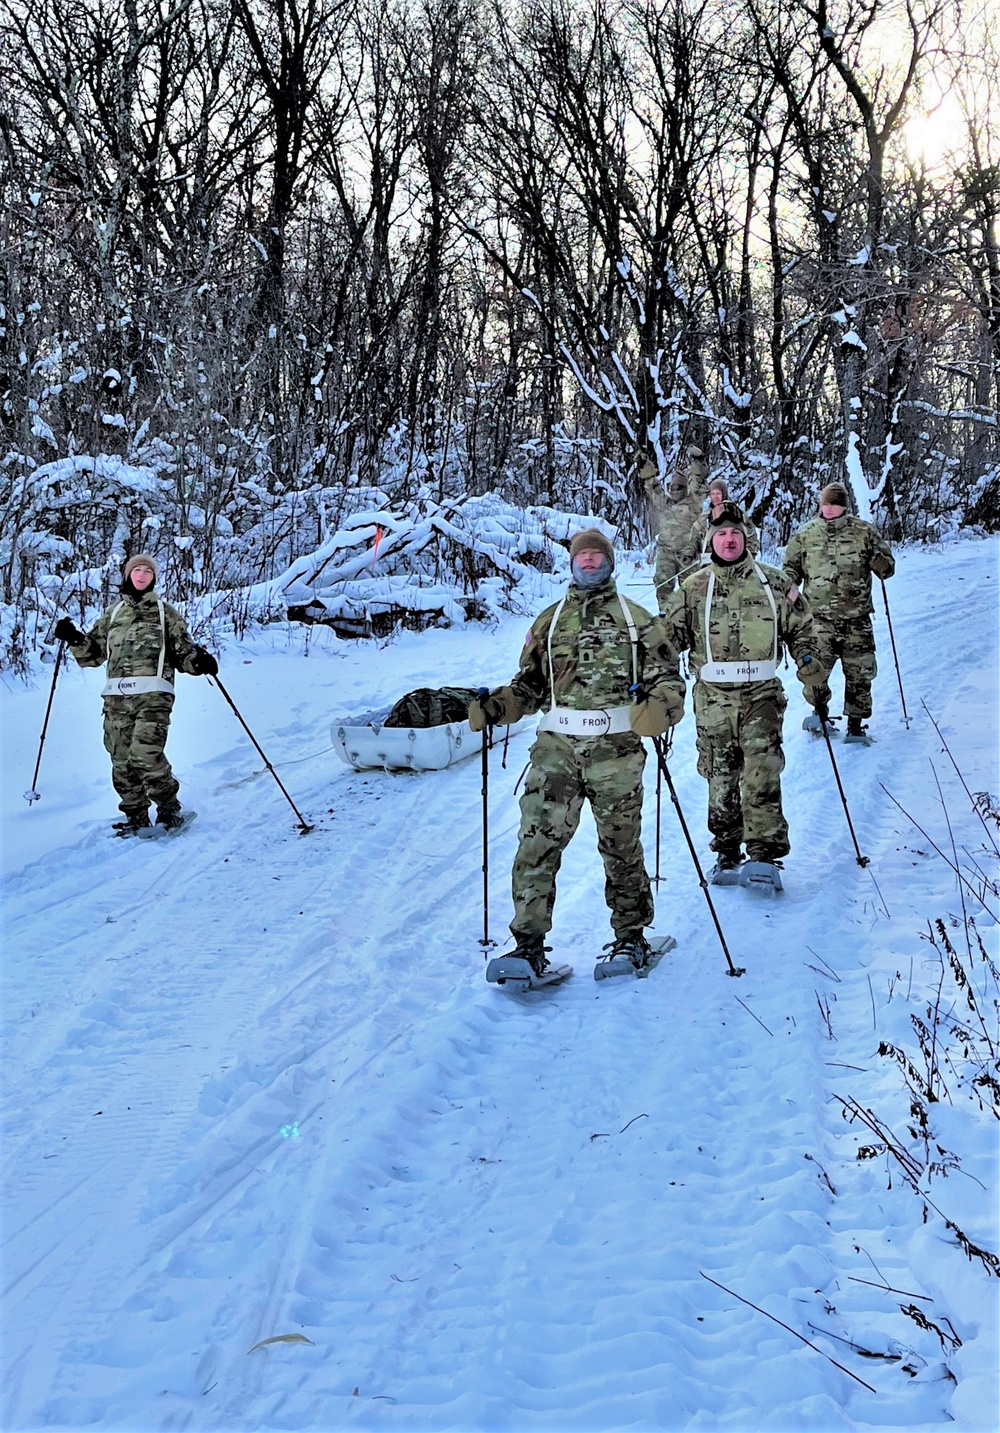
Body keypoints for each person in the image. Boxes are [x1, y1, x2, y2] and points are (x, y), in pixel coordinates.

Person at [469, 528, 682, 975]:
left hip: (616, 752)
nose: (588, 562)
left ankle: (631, 937)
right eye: (582, 556)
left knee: (620, 846)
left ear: (610, 563)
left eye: (596, 556)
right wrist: (499, 706)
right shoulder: (549, 622)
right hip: (556, 751)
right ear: (571, 563)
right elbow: (529, 685)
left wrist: (661, 709)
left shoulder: (637, 619)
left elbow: (668, 678)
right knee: (536, 842)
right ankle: (527, 946)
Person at [658, 504, 827, 880]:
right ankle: (727, 848)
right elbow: (668, 641)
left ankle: (764, 854)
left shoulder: (775, 583)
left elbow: (802, 628)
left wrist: (807, 659)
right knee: (720, 774)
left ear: (745, 538)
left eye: (735, 533)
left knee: (762, 770)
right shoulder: (693, 588)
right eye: (721, 534)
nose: (729, 539)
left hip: (761, 695)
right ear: (711, 541)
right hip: (713, 698)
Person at [53, 554, 218, 834]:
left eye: (148, 571)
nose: (142, 575)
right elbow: (93, 655)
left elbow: (183, 653)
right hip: (116, 700)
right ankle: (136, 816)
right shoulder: (114, 614)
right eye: (137, 570)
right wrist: (74, 638)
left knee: (144, 753)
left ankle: (169, 808)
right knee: (121, 759)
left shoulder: (166, 614)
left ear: (154, 577)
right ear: (128, 575)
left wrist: (198, 661)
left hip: (154, 696)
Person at [782, 481, 896, 744]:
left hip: (857, 619)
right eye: (825, 503)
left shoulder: (864, 532)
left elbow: (887, 568)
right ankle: (819, 714)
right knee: (815, 670)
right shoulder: (806, 534)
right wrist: (789, 587)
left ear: (844, 506)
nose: (829, 508)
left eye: (834, 504)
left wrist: (880, 563)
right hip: (819, 619)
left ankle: (855, 725)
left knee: (860, 673)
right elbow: (790, 569)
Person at [640, 443, 707, 611]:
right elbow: (653, 487)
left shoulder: (693, 502)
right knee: (663, 587)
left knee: (692, 589)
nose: (675, 490)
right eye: (673, 487)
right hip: (666, 552)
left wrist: (697, 460)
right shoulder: (665, 503)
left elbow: (699, 481)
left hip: (688, 553)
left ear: (685, 489)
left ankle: (692, 620)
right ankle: (666, 617)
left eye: (679, 487)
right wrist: (645, 467)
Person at [689, 476, 760, 562]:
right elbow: (693, 538)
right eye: (712, 494)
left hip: (734, 562)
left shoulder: (737, 514)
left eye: (718, 493)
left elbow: (751, 539)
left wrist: (747, 558)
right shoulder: (705, 516)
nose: (715, 497)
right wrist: (691, 553)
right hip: (709, 563)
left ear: (724, 493)